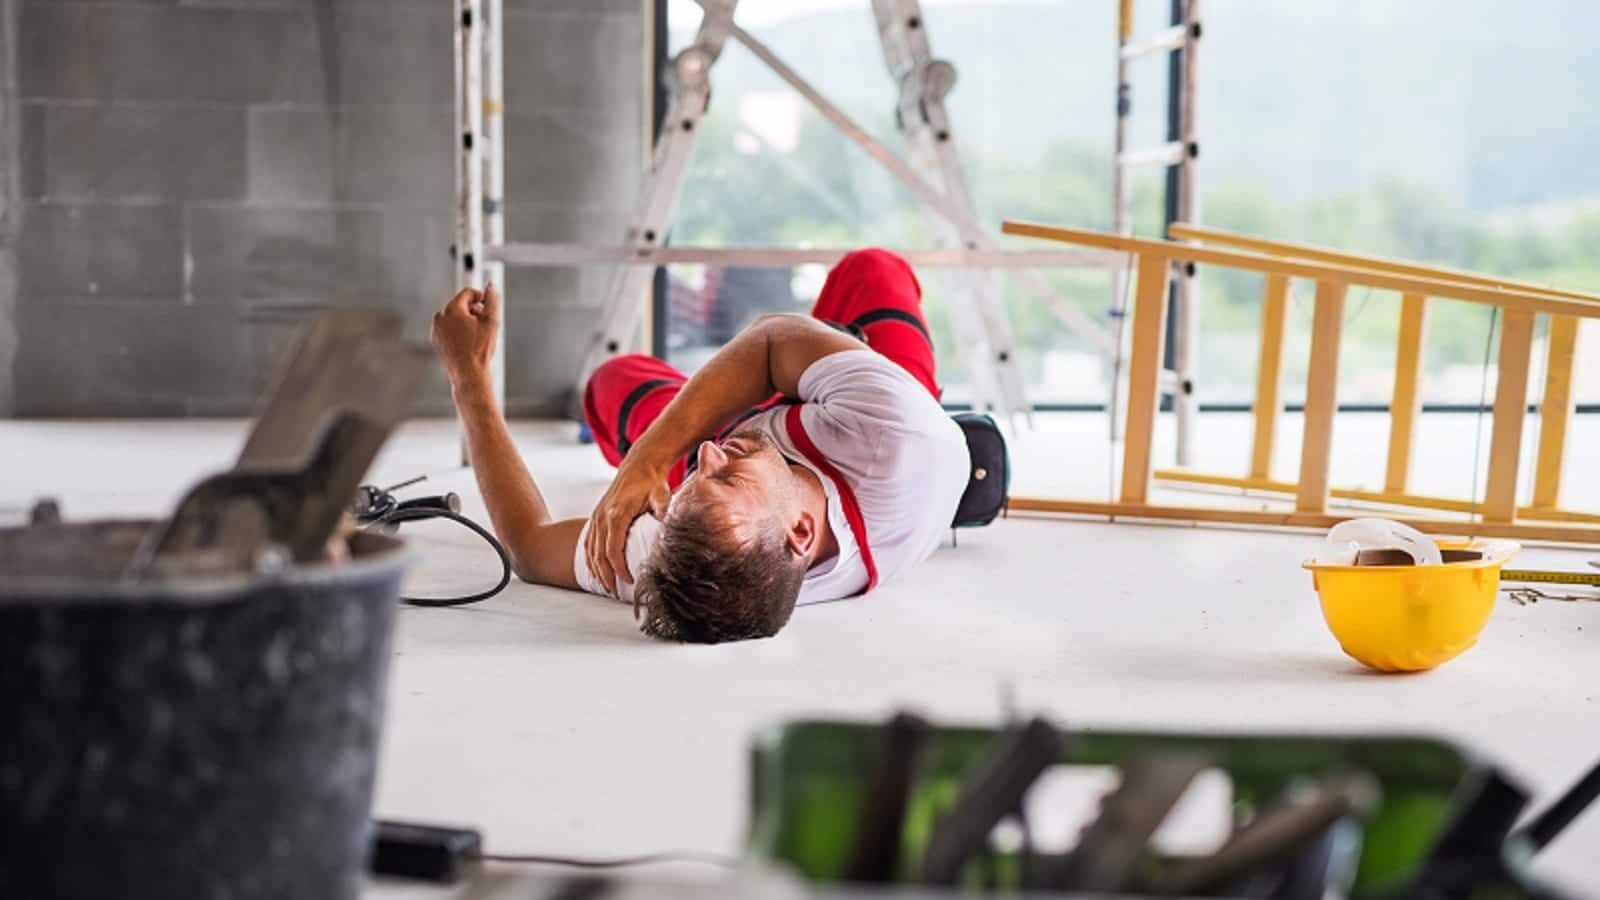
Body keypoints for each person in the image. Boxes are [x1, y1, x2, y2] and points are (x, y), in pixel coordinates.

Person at [432, 249, 971, 643]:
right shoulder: (895, 434)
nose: (708, 457)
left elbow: (529, 546)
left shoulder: (681, 552)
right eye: (727, 480)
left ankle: (805, 364)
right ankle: (830, 351)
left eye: (692, 485)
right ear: (801, 532)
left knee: (611, 382)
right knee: (873, 269)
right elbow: (770, 338)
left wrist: (468, 377)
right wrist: (654, 457)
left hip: (777, 441)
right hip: (875, 414)